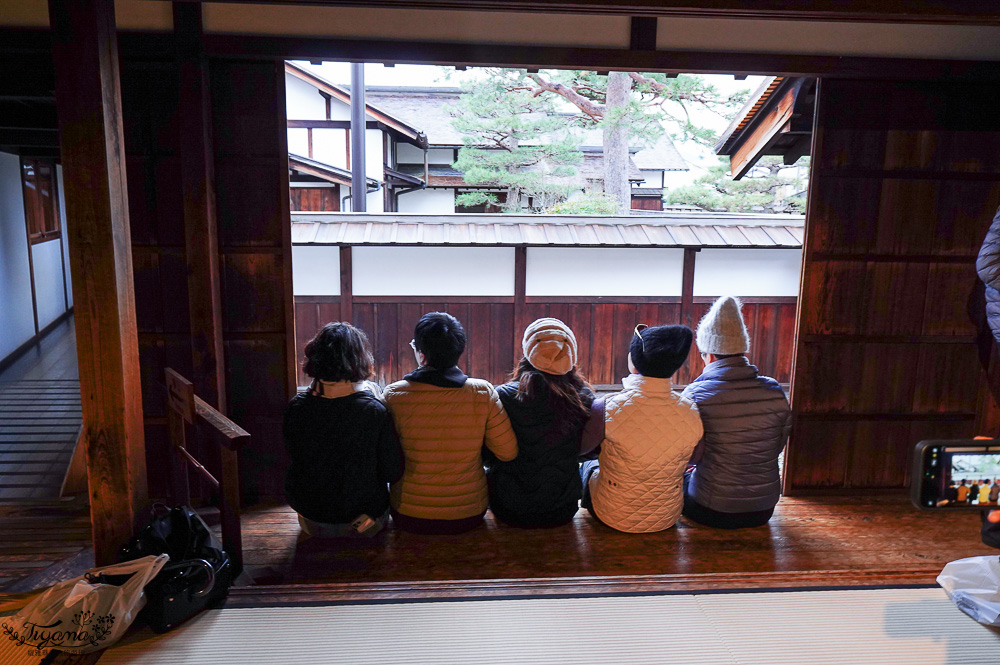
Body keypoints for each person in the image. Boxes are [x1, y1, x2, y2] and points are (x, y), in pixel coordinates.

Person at [383, 312, 518, 534]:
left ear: (421, 353)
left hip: (408, 513)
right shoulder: (482, 392)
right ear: (459, 350)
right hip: (469, 514)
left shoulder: (394, 395)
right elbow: (508, 452)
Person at [283, 322, 404, 539]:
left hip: (311, 520)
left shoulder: (296, 408)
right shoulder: (373, 411)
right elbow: (392, 471)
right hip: (365, 522)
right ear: (360, 360)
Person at [680, 296, 792, 529]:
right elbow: (777, 445)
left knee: (674, 481)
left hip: (712, 509)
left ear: (709, 355)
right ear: (742, 352)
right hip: (763, 509)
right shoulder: (774, 390)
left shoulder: (696, 394)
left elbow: (689, 455)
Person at [580, 324, 703, 533]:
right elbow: (695, 459)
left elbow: (582, 450)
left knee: (589, 465)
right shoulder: (691, 410)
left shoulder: (606, 407)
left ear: (634, 362)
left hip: (612, 514)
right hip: (667, 516)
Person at [485, 318, 595, 528]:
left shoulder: (504, 396)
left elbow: (490, 454)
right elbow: (586, 452)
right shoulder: (584, 397)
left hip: (508, 507)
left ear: (528, 351)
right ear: (571, 355)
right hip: (562, 509)